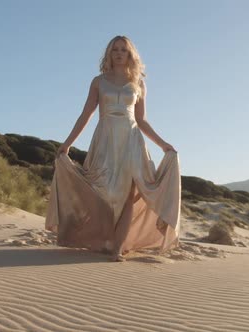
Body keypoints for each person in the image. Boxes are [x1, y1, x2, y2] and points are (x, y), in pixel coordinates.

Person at [45, 35, 181, 262]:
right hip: (106, 140)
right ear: (109, 53)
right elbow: (86, 114)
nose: (119, 53)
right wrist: (67, 144)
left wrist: (163, 144)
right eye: (115, 49)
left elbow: (142, 120)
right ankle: (103, 239)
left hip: (131, 141)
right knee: (103, 192)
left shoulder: (138, 83)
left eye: (124, 50)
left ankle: (117, 248)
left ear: (130, 54)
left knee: (128, 195)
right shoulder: (98, 82)